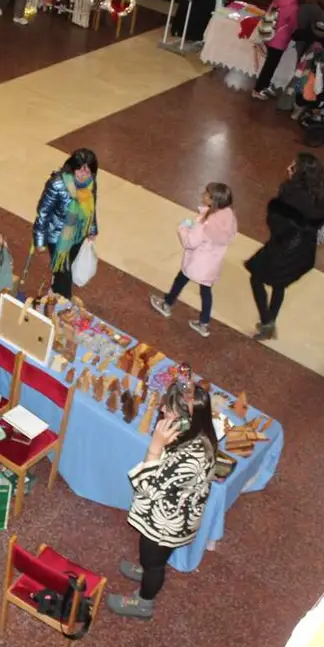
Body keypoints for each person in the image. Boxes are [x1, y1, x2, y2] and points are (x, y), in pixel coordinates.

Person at [108, 380, 216, 620]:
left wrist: (155, 448)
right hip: (175, 515)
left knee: (154, 559)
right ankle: (147, 570)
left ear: (185, 418)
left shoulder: (189, 459)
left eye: (168, 408)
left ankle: (144, 602)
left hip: (165, 524)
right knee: (154, 557)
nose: (162, 410)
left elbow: (146, 489)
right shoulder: (196, 435)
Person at [245, 153, 324, 341]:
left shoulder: (290, 191)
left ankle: (267, 322)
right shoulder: (323, 190)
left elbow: (278, 221)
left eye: (293, 166)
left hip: (284, 246)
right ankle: (271, 321)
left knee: (256, 277)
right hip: (305, 248)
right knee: (280, 283)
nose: (288, 168)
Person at [149, 182, 238, 338]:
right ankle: (204, 323)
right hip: (212, 265)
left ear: (213, 201)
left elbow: (190, 242)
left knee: (180, 279)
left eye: (207, 194)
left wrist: (183, 228)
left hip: (196, 262)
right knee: (206, 292)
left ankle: (167, 304)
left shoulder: (205, 223)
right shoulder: (228, 217)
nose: (203, 194)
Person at [33, 148, 99, 299]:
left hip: (78, 235)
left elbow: (92, 208)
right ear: (72, 167)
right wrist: (40, 240)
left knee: (66, 268)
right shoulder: (57, 184)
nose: (83, 176)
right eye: (80, 171)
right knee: (65, 276)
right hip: (57, 238)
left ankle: (55, 290)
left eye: (87, 172)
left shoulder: (91, 184)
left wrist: (92, 229)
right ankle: (64, 305)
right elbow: (43, 212)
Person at [253, 0, 305, 100]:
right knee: (270, 65)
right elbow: (292, 25)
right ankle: (259, 89)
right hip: (280, 40)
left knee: (269, 64)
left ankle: (264, 84)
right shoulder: (294, 7)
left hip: (268, 32)